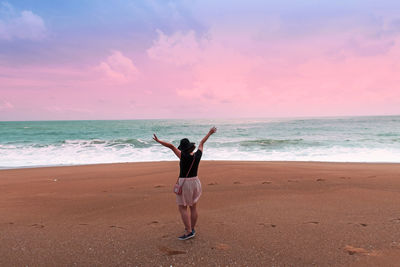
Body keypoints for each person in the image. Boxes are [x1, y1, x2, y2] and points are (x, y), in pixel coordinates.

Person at [153, 127, 217, 240]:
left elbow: (171, 147)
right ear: (191, 147)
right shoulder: (198, 155)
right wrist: (210, 133)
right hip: (196, 182)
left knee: (182, 207)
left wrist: (158, 141)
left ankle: (188, 231)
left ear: (182, 149)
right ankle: (192, 228)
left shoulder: (183, 156)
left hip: (185, 183)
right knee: (193, 207)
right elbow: (202, 142)